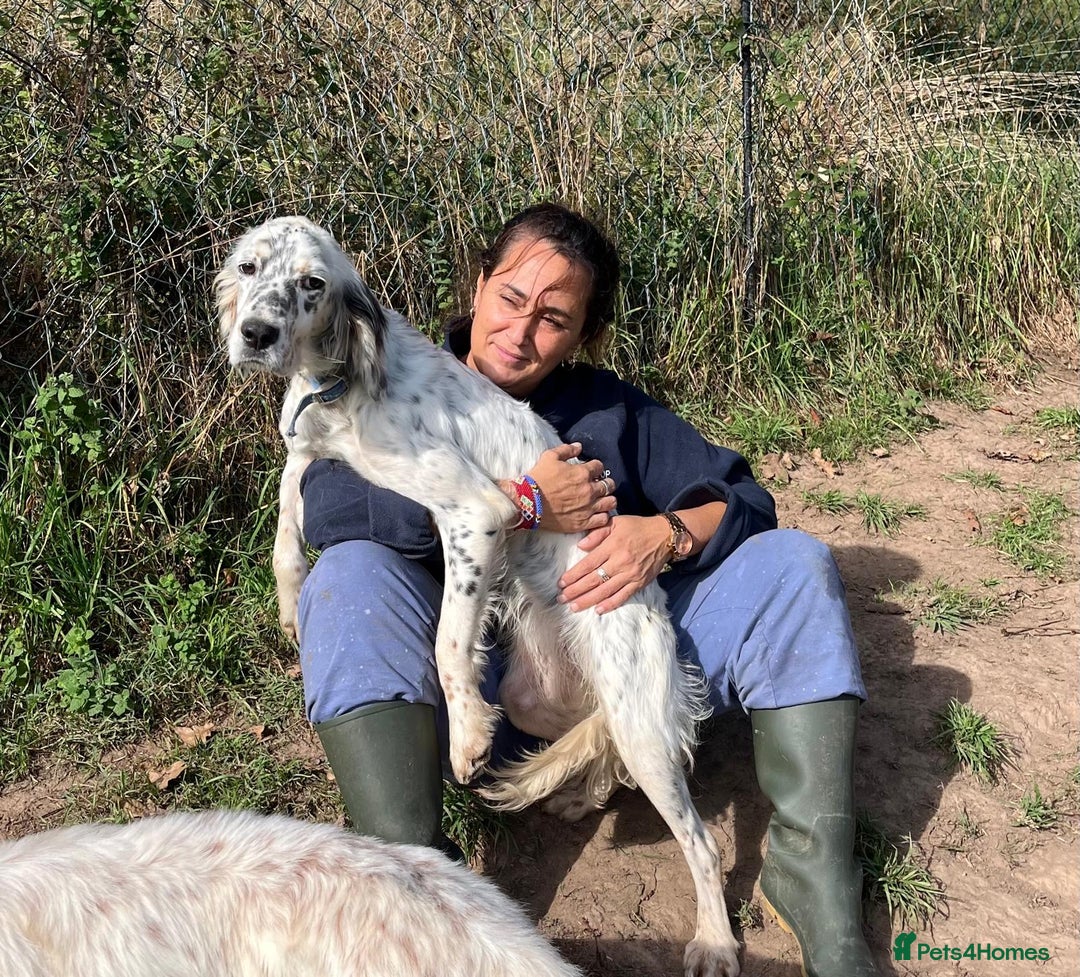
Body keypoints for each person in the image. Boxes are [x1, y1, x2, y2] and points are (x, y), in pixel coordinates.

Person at [295, 203, 879, 977]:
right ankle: (415, 885)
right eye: (510, 297)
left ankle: (814, 881)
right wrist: (523, 502)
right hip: (451, 716)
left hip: (592, 679)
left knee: (796, 562)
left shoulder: (605, 410)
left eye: (554, 318)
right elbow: (331, 509)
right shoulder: (382, 377)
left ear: (580, 337)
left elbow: (743, 499)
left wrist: (662, 534)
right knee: (347, 574)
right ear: (478, 285)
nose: (520, 331)